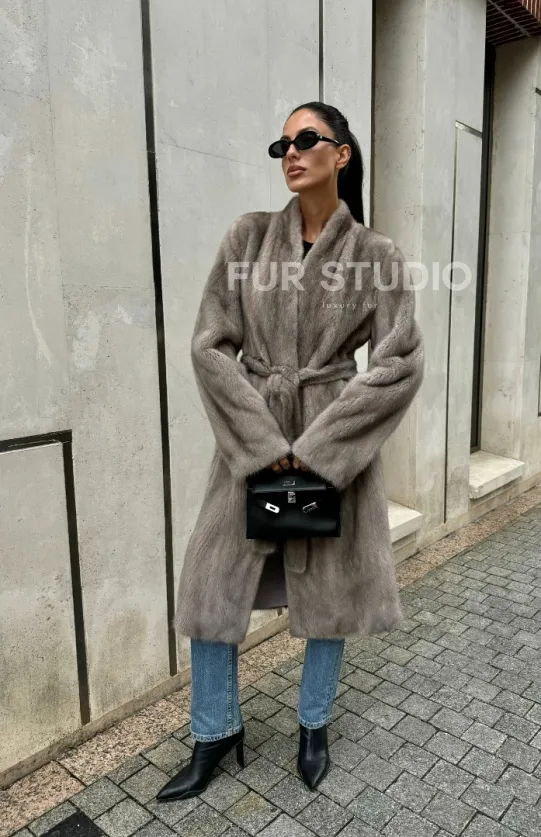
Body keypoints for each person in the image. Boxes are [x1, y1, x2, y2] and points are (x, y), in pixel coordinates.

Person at [156, 102, 425, 802]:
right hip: (252, 443)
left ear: (343, 153)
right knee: (211, 583)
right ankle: (215, 730)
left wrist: (320, 457)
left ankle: (313, 725)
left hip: (330, 441)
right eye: (282, 145)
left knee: (328, 590)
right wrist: (264, 453)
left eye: (307, 139)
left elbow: (400, 363)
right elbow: (209, 347)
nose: (292, 153)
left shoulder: (376, 256)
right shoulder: (247, 238)